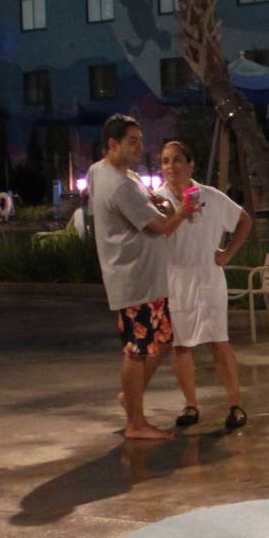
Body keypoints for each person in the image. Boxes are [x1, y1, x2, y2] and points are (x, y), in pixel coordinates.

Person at [89, 114, 186, 441]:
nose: (139, 147)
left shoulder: (103, 171)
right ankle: (136, 422)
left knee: (159, 340)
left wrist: (157, 204)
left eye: (140, 141)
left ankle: (131, 400)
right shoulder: (118, 185)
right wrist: (183, 212)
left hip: (141, 278)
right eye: (132, 141)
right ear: (112, 145)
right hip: (135, 280)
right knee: (138, 348)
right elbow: (160, 227)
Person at [157, 139, 250, 430]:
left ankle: (235, 404)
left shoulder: (211, 197)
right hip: (175, 278)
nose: (171, 166)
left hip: (208, 276)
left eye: (176, 160)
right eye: (165, 161)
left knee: (218, 342)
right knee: (181, 346)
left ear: (190, 164)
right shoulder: (156, 200)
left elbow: (244, 220)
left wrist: (227, 253)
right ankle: (191, 405)